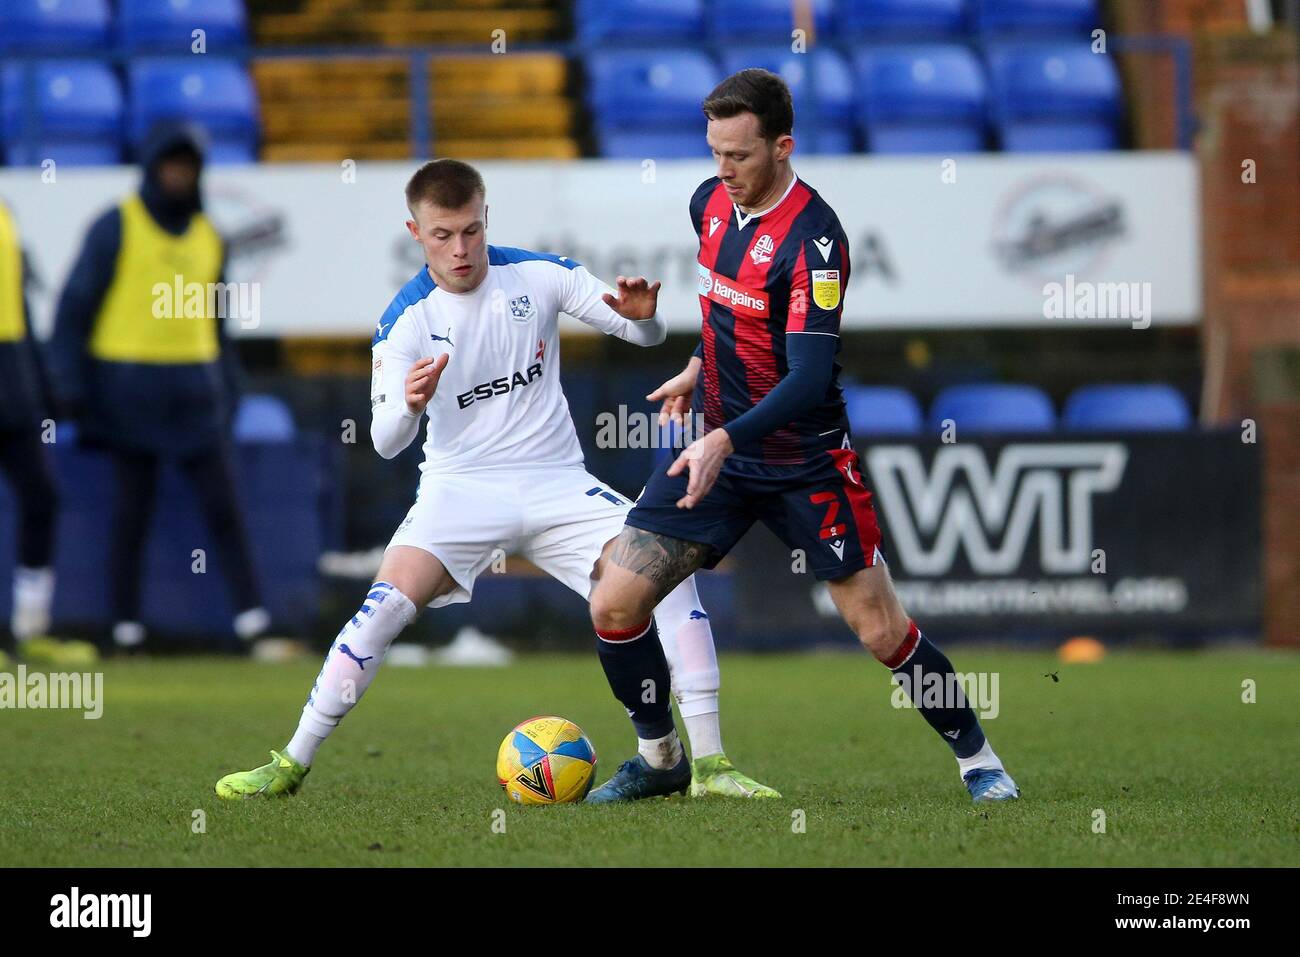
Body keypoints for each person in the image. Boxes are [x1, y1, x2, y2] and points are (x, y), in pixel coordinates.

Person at [214, 159, 775, 800]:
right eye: (443, 235)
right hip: (460, 489)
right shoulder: (405, 321)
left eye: (471, 231)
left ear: (486, 219)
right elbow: (387, 441)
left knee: (665, 572)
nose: (460, 249)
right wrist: (409, 405)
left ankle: (704, 765)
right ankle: (291, 762)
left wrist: (644, 318)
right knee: (383, 609)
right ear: (416, 233)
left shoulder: (539, 275)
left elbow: (641, 333)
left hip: (558, 482)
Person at [583, 69, 1020, 804]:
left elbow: (809, 376)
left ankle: (980, 760)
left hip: (801, 461)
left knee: (881, 630)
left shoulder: (816, 242)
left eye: (740, 155)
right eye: (715, 152)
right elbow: (729, 316)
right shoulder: (708, 203)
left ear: (782, 146)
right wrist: (698, 366)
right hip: (717, 452)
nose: (724, 170)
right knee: (614, 602)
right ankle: (661, 759)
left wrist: (724, 438)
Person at [48, 121, 270, 651]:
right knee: (132, 512)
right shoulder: (116, 226)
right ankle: (124, 627)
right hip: (128, 392)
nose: (178, 175)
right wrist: (68, 385)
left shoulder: (208, 235)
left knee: (224, 508)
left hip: (195, 392)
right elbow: (74, 308)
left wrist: (229, 388)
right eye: (171, 164)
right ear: (151, 167)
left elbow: (218, 324)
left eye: (187, 166)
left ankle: (255, 622)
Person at [0, 196, 65, 661]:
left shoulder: (6, 214)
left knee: (42, 497)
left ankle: (29, 625)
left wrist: (42, 384)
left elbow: (17, 303)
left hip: (13, 384)